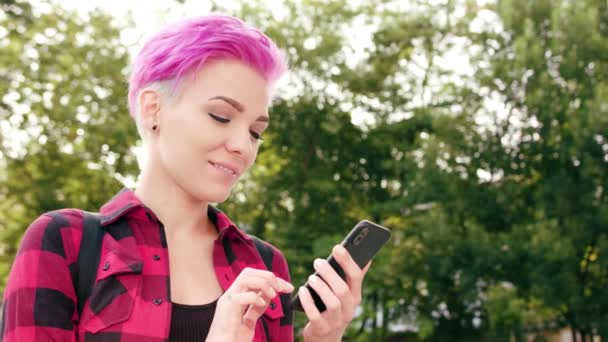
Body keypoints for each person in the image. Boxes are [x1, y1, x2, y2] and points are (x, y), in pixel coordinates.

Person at [0, 14, 371, 342]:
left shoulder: (265, 265)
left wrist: (326, 338)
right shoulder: (65, 243)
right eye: (222, 116)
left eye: (256, 132)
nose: (243, 145)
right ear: (153, 109)